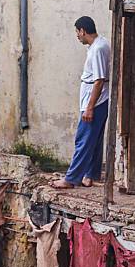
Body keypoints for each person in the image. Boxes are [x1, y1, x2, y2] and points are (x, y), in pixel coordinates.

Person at [52, 16, 110, 188]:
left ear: (83, 31)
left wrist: (90, 107)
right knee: (94, 140)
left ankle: (71, 179)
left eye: (77, 32)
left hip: (95, 101)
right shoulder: (100, 44)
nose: (77, 36)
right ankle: (89, 176)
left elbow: (99, 80)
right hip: (98, 100)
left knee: (83, 140)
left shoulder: (98, 49)